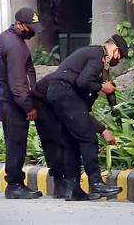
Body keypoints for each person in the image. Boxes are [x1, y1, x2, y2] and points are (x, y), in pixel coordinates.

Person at [46, 35, 128, 200]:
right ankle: (96, 182)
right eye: (120, 57)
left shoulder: (97, 58)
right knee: (88, 136)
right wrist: (102, 87)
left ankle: (72, 190)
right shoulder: (97, 57)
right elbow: (83, 82)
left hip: (57, 93)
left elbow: (91, 98)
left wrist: (115, 116)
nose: (118, 61)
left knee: (72, 141)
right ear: (115, 51)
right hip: (64, 92)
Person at [33, 74, 117, 200]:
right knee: (58, 140)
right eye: (107, 94)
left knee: (69, 139)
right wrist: (102, 130)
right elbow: (79, 114)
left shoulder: (90, 88)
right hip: (44, 102)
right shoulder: (84, 82)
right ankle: (61, 185)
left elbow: (80, 112)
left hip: (55, 100)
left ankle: (71, 188)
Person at [0, 8, 44, 199]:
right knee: (16, 143)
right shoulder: (14, 46)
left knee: (14, 142)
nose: (32, 31)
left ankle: (16, 183)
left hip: (11, 100)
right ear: (19, 25)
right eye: (30, 28)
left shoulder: (9, 37)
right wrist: (28, 106)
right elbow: (17, 82)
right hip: (14, 102)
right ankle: (14, 185)